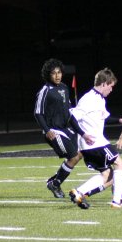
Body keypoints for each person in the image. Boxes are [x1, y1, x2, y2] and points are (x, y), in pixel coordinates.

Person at [67, 67, 122, 209]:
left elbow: (104, 118)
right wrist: (84, 134)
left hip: (93, 144)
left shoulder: (99, 99)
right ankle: (117, 202)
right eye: (111, 86)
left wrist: (119, 120)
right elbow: (72, 119)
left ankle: (79, 192)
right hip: (94, 143)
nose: (112, 89)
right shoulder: (88, 99)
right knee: (120, 164)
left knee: (107, 175)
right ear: (104, 83)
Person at [33, 58, 80, 198]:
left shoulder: (65, 88)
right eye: (54, 73)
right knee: (72, 155)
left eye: (59, 72)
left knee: (79, 155)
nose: (57, 75)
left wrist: (79, 130)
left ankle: (55, 182)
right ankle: (55, 183)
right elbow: (37, 113)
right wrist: (47, 130)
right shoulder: (45, 90)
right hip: (54, 131)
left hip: (66, 129)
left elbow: (69, 112)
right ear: (48, 74)